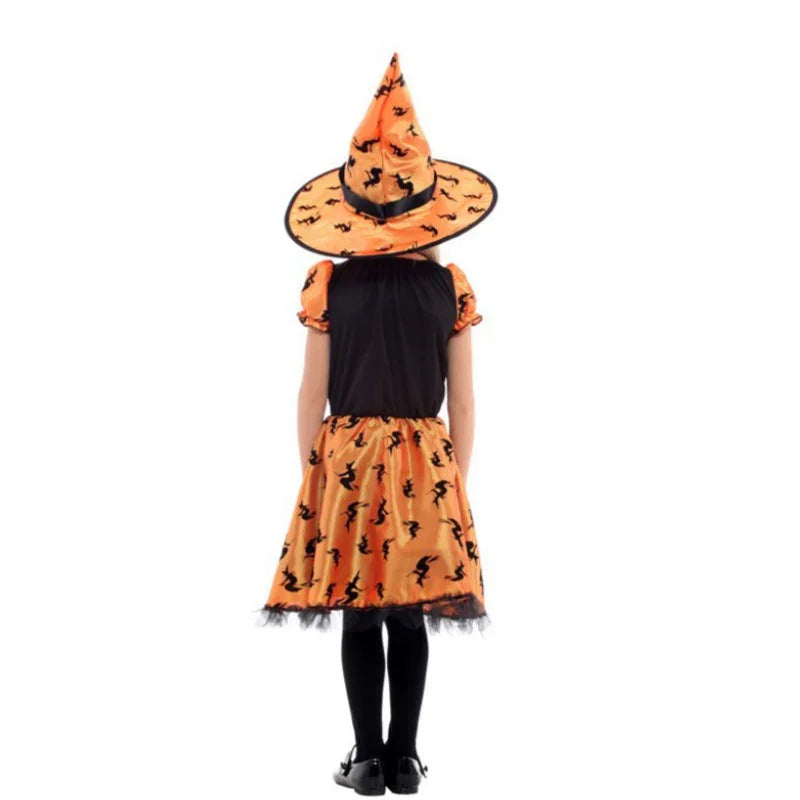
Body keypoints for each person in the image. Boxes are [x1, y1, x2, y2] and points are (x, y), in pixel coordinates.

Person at [260, 52, 497, 795]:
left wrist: (317, 475)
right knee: (409, 613)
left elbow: (311, 394)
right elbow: (464, 402)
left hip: (349, 459)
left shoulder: (330, 284)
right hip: (426, 461)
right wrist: (455, 482)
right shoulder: (448, 287)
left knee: (360, 612)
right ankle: (405, 759)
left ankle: (364, 757)